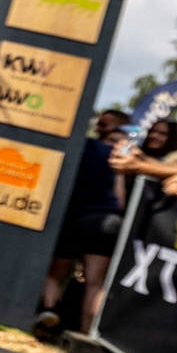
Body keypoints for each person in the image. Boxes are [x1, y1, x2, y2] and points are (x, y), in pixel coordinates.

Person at [33, 132, 125, 341]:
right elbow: (120, 201)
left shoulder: (81, 147)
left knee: (54, 274)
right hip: (106, 220)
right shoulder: (117, 160)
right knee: (95, 284)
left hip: (74, 217)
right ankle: (87, 335)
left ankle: (50, 310)